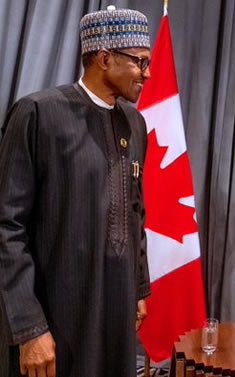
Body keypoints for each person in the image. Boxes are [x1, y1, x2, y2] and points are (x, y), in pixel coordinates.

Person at [0, 6, 152, 377]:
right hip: (54, 322)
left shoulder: (135, 123)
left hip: (116, 314)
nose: (147, 74)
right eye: (139, 62)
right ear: (104, 58)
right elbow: (7, 226)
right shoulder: (38, 114)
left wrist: (138, 285)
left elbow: (134, 210)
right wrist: (29, 327)